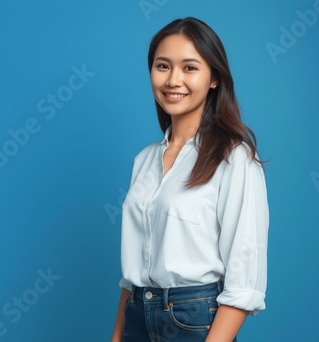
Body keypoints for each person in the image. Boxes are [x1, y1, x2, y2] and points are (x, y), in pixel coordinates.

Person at [111, 17, 269, 342]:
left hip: (194, 321)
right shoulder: (143, 160)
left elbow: (244, 279)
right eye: (163, 66)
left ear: (214, 78)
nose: (173, 80)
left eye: (190, 68)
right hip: (137, 314)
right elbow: (131, 275)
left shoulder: (234, 158)